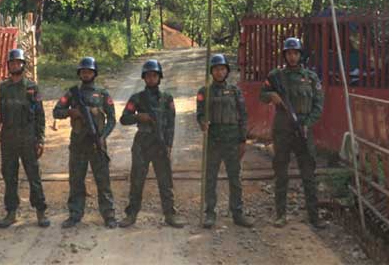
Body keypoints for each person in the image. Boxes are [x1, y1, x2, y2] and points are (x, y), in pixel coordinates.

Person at [260, 37, 325, 229]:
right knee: (281, 172)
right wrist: (271, 96)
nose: (292, 57)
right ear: (284, 55)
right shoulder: (276, 76)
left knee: (308, 174)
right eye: (289, 53)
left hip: (303, 128)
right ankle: (280, 215)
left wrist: (308, 123)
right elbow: (261, 95)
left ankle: (314, 217)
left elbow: (318, 105)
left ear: (300, 54)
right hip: (282, 129)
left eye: (295, 53)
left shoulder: (311, 77)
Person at [52, 57, 119, 228]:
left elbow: (112, 119)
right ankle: (75, 214)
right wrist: (71, 112)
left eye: (89, 71)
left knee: (103, 181)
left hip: (97, 143)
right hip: (78, 143)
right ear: (79, 74)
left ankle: (109, 215)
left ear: (94, 73)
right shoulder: (72, 93)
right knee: (76, 180)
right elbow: (57, 111)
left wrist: (103, 137)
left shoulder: (103, 94)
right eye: (83, 72)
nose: (86, 74)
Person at [119, 59, 186, 228]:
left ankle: (170, 214)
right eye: (148, 76)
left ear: (159, 77)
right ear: (143, 78)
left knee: (165, 180)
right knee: (137, 180)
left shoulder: (166, 98)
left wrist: (169, 145)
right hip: (142, 142)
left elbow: (171, 123)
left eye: (154, 75)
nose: (151, 78)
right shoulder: (137, 98)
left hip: (160, 143)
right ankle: (131, 214)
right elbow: (123, 119)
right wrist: (138, 117)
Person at [0, 48, 49, 228]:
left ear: (23, 65)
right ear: (8, 66)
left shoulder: (32, 88)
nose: (15, 65)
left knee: (33, 176)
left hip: (28, 138)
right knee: (9, 176)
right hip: (8, 138)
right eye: (12, 63)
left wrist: (40, 139)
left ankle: (40, 211)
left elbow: (40, 116)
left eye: (18, 62)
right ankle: (11, 212)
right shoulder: (2, 88)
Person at [197, 54, 253, 229]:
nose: (219, 72)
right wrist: (202, 122)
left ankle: (237, 212)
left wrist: (243, 139)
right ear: (211, 72)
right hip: (214, 139)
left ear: (227, 71)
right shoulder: (204, 92)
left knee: (235, 177)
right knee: (210, 177)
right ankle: (210, 213)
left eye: (222, 69)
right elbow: (199, 113)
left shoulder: (235, 91)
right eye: (216, 69)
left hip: (232, 138)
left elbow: (243, 115)